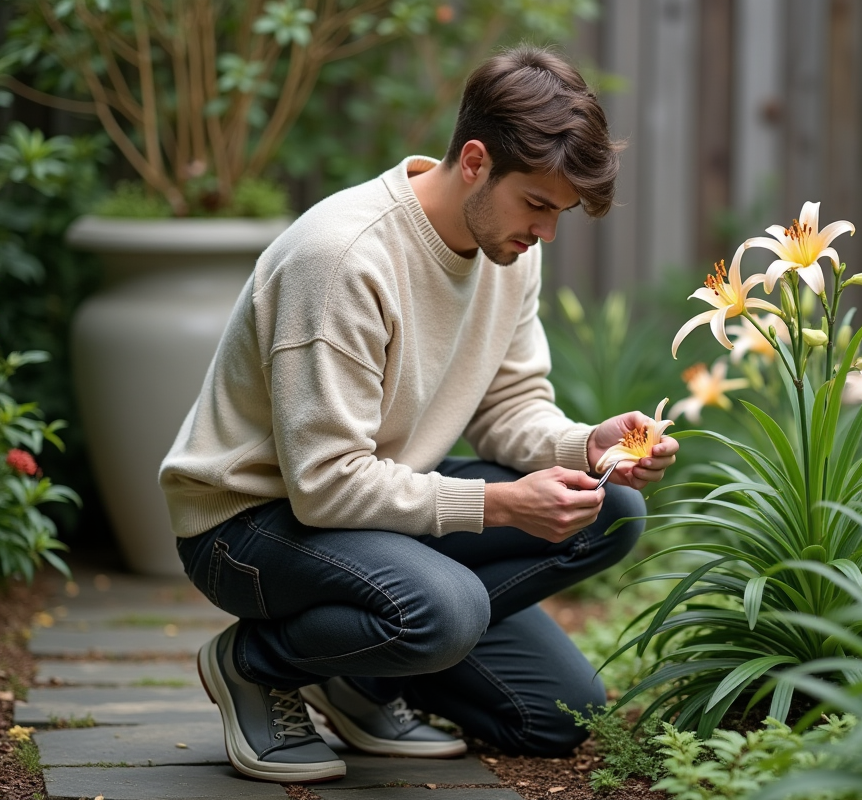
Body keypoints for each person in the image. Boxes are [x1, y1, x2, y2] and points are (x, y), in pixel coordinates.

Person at [159, 45, 678, 784]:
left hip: (373, 502)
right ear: (474, 160)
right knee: (447, 610)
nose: (547, 235)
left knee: (601, 554)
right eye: (537, 205)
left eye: (559, 214)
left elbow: (509, 410)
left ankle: (357, 672)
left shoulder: (510, 250)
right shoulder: (341, 259)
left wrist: (584, 445)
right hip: (249, 525)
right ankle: (253, 664)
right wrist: (498, 506)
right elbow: (325, 485)